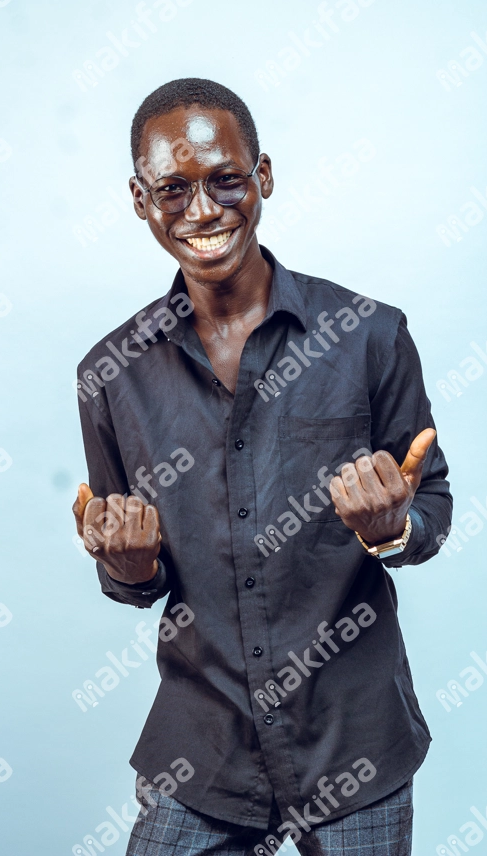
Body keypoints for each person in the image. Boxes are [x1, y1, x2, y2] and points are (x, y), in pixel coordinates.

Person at [72, 78, 452, 856]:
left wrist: (390, 530)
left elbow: (432, 504)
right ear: (140, 200)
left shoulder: (368, 335)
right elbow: (128, 573)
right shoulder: (110, 376)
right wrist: (130, 569)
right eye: (172, 190)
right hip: (201, 750)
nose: (203, 211)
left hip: (354, 745)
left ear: (264, 176)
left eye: (225, 179)